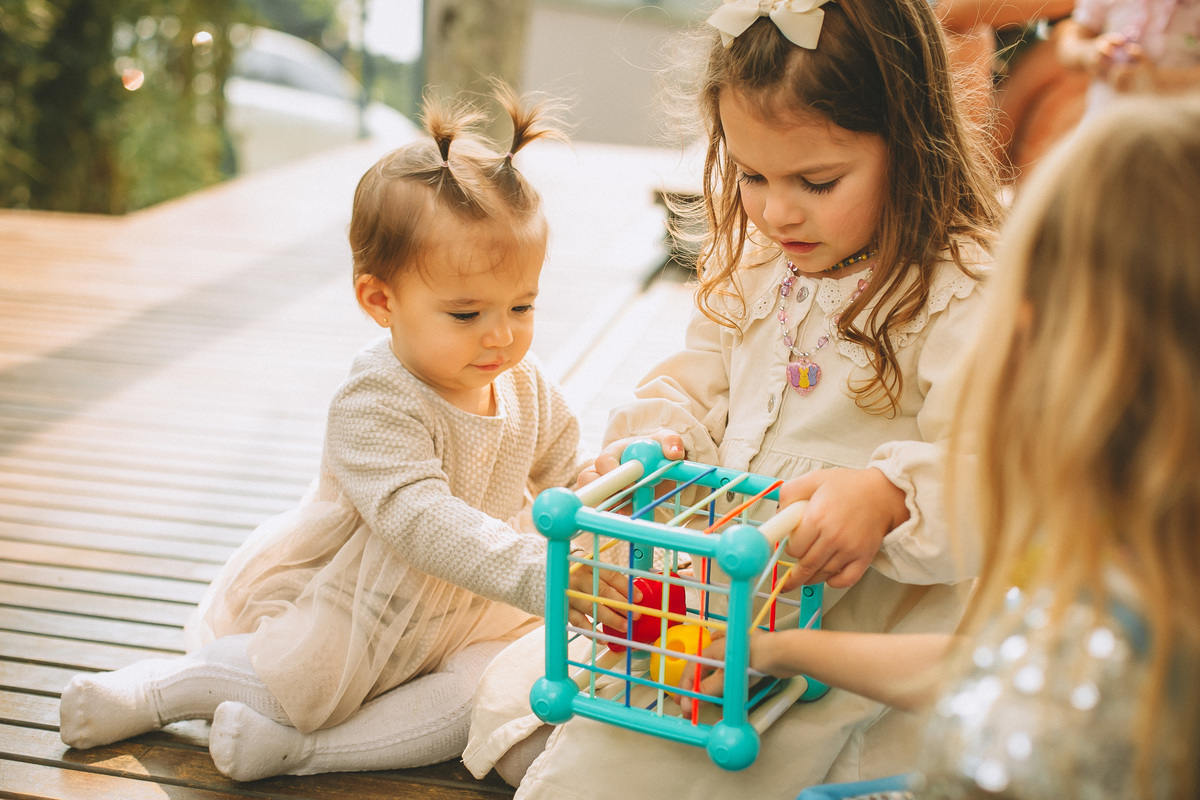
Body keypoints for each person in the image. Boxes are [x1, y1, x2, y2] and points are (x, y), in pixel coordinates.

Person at [463, 1, 1003, 796]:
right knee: (523, 710)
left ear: (911, 139)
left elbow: (999, 471)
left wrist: (887, 495)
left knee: (668, 763)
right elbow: (695, 375)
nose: (777, 209)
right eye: (751, 175)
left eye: (817, 181)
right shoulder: (756, 260)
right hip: (718, 588)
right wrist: (661, 442)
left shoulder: (958, 288)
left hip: (847, 625)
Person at [57, 86, 629, 781]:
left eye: (522, 304)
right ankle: (158, 689)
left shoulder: (523, 380)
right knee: (295, 682)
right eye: (466, 312)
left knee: (478, 700)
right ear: (380, 301)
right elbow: (417, 517)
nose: (502, 334)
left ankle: (300, 756)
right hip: (371, 598)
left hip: (476, 606)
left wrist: (607, 487)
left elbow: (562, 470)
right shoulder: (375, 398)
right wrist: (532, 571)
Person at [690, 93, 1200, 800]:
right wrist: (781, 649)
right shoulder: (1121, 538)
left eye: (1033, 293)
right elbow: (985, 666)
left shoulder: (1137, 601)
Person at [1056, 0, 1200, 119]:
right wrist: (1088, 52)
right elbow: (1070, 43)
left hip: (1178, 127)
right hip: (1106, 119)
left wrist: (1158, 80)